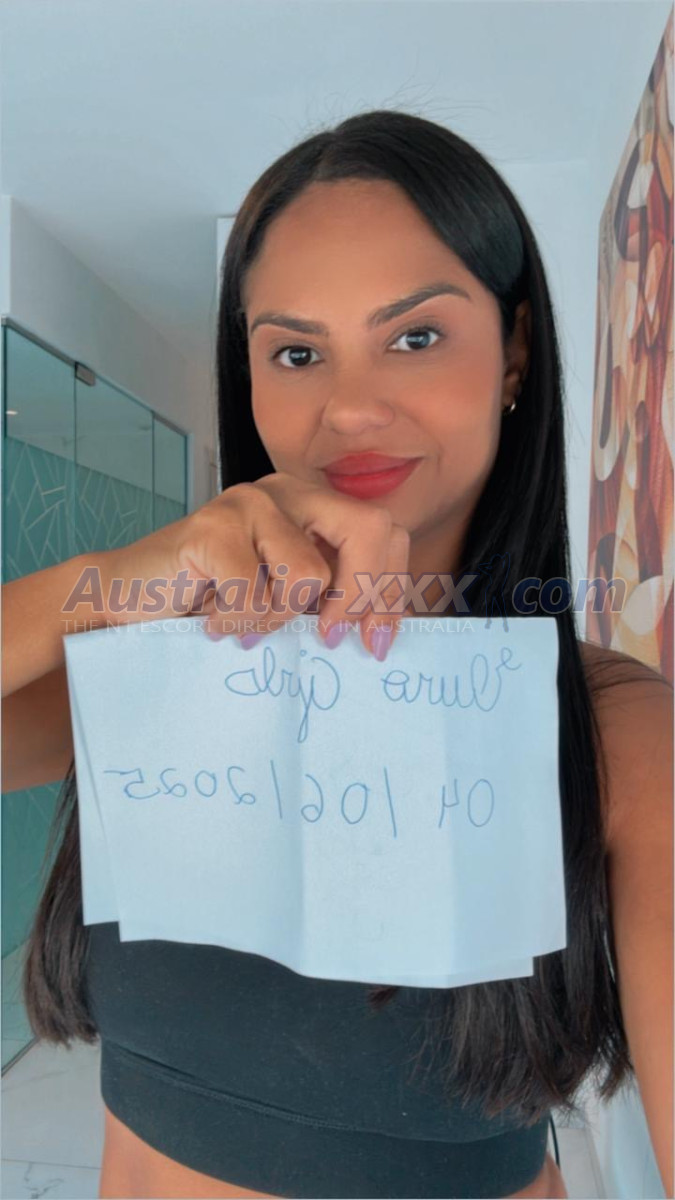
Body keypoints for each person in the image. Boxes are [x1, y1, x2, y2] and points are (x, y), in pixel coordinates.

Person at [3, 109, 672, 1200]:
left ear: (512, 350)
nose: (351, 407)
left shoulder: (612, 732)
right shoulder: (162, 664)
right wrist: (107, 579)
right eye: (297, 352)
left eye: (415, 336)